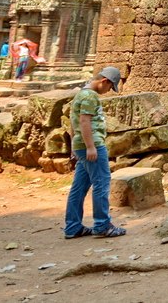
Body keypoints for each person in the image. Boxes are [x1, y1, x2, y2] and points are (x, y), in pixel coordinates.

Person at [63, 67, 126, 239]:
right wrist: (90, 146)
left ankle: (73, 226)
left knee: (79, 187)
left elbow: (73, 122)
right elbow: (84, 121)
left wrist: (75, 147)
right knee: (101, 183)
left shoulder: (81, 94)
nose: (108, 92)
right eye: (109, 87)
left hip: (81, 145)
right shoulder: (90, 96)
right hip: (93, 146)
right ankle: (102, 225)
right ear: (104, 81)